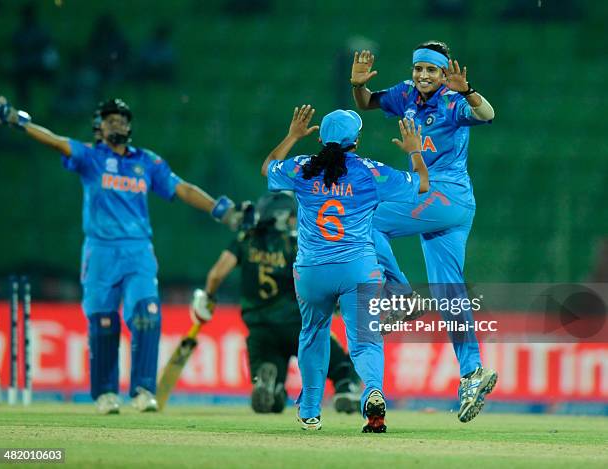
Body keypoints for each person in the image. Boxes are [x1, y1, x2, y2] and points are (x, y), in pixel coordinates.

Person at [0, 96, 242, 414]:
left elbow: (182, 189)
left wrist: (219, 209)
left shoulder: (147, 162)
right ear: (98, 128)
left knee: (147, 314)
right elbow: (57, 143)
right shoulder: (90, 156)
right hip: (100, 253)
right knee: (103, 321)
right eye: (111, 119)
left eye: (123, 119)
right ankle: (105, 394)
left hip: (138, 251)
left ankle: (143, 390)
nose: (119, 124)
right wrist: (19, 120)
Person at [350, 41, 497, 423]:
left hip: (445, 194)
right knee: (450, 294)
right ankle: (472, 372)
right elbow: (366, 102)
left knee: (367, 216)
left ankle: (399, 291)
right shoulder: (404, 95)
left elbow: (487, 113)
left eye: (431, 70)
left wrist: (468, 90)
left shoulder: (452, 101)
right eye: (419, 69)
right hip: (446, 203)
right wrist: (357, 86)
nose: (424, 76)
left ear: (443, 71)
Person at [261, 105, 429, 432]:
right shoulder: (371, 171)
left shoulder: (302, 168)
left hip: (311, 270)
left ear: (321, 137)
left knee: (312, 334)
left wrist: (292, 137)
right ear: (356, 140)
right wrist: (415, 151)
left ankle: (310, 410)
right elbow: (421, 184)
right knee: (365, 339)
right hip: (357, 268)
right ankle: (373, 391)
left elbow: (268, 168)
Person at [190, 192, 362, 414]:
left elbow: (215, 275)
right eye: (292, 215)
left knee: (272, 378)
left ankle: (271, 384)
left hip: (259, 328)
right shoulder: (296, 243)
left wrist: (209, 298)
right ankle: (345, 388)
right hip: (297, 325)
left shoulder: (245, 239)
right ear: (282, 216)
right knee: (342, 365)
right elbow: (316, 278)